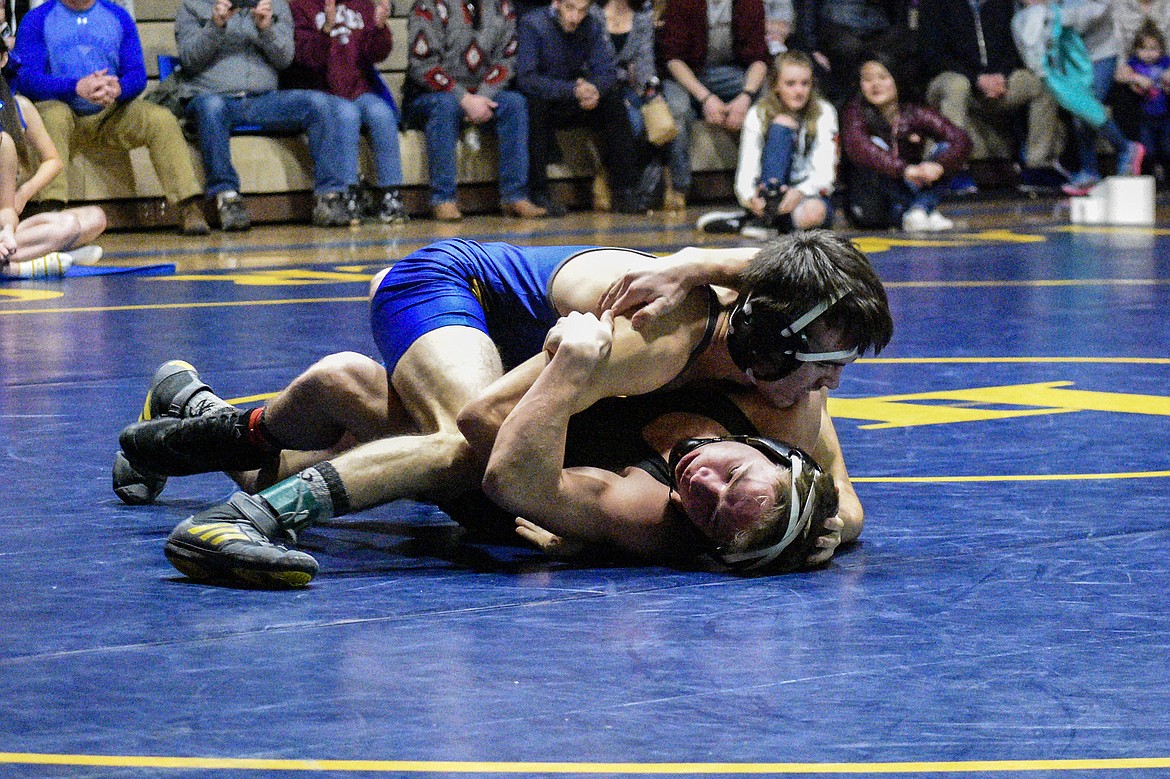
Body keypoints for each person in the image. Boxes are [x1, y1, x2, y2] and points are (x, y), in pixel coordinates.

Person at [114, 232, 893, 587]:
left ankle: (191, 417)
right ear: (773, 348)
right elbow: (491, 425)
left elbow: (840, 489)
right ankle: (241, 520)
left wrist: (836, 522)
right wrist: (533, 490)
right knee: (458, 451)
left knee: (354, 392)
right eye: (825, 370)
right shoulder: (661, 339)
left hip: (529, 349)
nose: (828, 391)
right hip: (461, 292)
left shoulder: (774, 394)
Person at [476, 309, 842, 572]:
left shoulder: (650, 515)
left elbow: (504, 467)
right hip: (517, 293)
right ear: (769, 448)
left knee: (449, 455)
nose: (700, 484)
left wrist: (571, 361)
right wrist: (692, 265)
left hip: (541, 346)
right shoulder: (786, 405)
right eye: (732, 474)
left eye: (712, 516)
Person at [12, 0, 210, 235]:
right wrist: (75, 86)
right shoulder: (37, 19)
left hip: (111, 112)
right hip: (64, 112)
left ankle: (188, 206)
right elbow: (26, 79)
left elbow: (137, 74)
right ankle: (51, 210)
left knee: (161, 120)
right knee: (52, 115)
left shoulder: (118, 16)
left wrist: (118, 88)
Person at [174, 0, 363, 230]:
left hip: (263, 99)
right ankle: (227, 196)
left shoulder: (275, 5)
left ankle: (329, 196)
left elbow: (284, 59)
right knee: (210, 108)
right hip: (213, 96)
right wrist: (215, 26)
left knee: (318, 103)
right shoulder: (193, 5)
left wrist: (266, 29)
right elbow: (189, 60)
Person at [403, 0, 546, 222]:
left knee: (515, 103)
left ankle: (514, 195)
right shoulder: (428, 5)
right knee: (445, 106)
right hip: (429, 95)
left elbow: (508, 58)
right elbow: (422, 64)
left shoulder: (502, 6)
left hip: (483, 92)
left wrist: (482, 97)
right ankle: (443, 199)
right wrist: (464, 98)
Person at [516, 0, 651, 215]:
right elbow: (527, 79)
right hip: (548, 98)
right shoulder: (533, 24)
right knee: (531, 106)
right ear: (557, 3)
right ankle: (539, 194)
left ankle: (624, 191)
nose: (575, 17)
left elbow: (608, 71)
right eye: (570, 8)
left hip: (578, 98)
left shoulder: (591, 25)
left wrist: (594, 89)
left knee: (613, 101)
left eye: (582, 10)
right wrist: (572, 90)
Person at [285, 0, 408, 223]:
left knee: (382, 114)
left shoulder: (362, 4)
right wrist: (326, 29)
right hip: (322, 91)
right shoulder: (300, 6)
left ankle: (392, 193)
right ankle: (349, 192)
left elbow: (376, 54)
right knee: (346, 114)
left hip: (359, 89)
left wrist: (380, 29)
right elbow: (304, 57)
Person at [919, 0, 1064, 189]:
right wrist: (976, 79)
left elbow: (1015, 46)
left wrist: (1001, 75)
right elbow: (932, 55)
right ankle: (950, 167)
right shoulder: (935, 5)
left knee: (1042, 83)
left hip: (996, 81)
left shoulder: (1002, 4)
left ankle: (1038, 166)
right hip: (952, 80)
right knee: (957, 85)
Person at [695, 51, 836, 239]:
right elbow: (747, 168)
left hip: (806, 196)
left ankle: (756, 222)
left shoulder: (824, 112)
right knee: (782, 125)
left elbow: (826, 172)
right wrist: (751, 198)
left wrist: (801, 192)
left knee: (814, 213)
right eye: (790, 84)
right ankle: (763, 214)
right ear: (776, 85)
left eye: (805, 83)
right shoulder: (758, 113)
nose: (799, 91)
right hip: (769, 190)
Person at [1013, 0, 1144, 196]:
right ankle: (1089, 171)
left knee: (1086, 107)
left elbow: (1101, 9)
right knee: (1078, 110)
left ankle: (1125, 148)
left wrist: (1059, 17)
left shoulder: (1059, 12)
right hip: (1069, 57)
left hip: (1100, 53)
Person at [0, 43, 106, 278]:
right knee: (65, 228)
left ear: (3, 59)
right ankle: (23, 267)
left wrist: (24, 193)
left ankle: (31, 255)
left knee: (95, 217)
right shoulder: (4, 142)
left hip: (6, 223)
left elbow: (52, 161)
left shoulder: (17, 108)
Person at [657, 0, 771, 211]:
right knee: (678, 109)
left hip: (728, 73)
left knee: (766, 96)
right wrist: (706, 98)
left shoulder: (750, 3)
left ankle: (766, 184)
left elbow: (759, 58)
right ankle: (679, 187)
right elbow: (672, 59)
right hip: (685, 73)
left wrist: (745, 97)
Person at [840, 54, 972, 232]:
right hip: (873, 195)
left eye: (883, 77)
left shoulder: (913, 111)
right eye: (868, 79)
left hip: (910, 184)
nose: (875, 85)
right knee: (876, 145)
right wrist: (905, 169)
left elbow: (961, 139)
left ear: (896, 79)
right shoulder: (854, 111)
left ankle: (918, 210)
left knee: (947, 150)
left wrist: (938, 166)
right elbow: (860, 147)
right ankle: (923, 209)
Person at [590, 0, 674, 211]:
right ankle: (616, 184)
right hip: (599, 87)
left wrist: (650, 93)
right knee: (629, 120)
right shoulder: (593, 13)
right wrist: (623, 73)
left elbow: (645, 63)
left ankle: (640, 189)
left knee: (651, 119)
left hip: (631, 88)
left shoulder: (642, 15)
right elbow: (593, 62)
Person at [1121, 20, 1170, 173]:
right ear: (1136, 50)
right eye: (1143, 49)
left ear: (1161, 50)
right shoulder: (1134, 63)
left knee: (1167, 149)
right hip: (1144, 116)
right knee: (1148, 151)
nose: (1148, 53)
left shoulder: (1165, 62)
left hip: (1165, 115)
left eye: (1153, 49)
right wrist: (1135, 78)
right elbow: (1120, 76)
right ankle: (1151, 175)